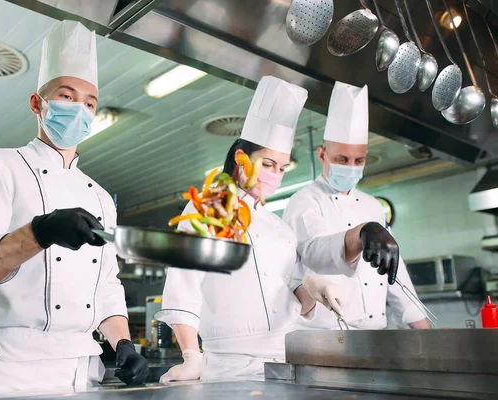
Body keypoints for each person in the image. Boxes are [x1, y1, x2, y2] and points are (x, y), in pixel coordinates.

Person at [0, 20, 148, 396]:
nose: (80, 110)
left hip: (80, 372)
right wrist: (40, 232)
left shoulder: (100, 197)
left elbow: (104, 285)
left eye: (89, 103)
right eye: (67, 97)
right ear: (37, 103)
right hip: (7, 371)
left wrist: (123, 344)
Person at [155, 76, 344, 384]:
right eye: (268, 164)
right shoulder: (209, 207)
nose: (276, 176)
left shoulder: (280, 229)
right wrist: (192, 356)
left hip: (285, 362)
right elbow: (183, 285)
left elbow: (297, 297)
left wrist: (313, 286)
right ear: (241, 159)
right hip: (228, 368)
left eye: (282, 168)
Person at [282, 81, 430, 330]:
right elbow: (317, 253)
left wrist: (426, 334)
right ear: (322, 155)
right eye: (342, 159)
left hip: (376, 337)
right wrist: (359, 234)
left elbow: (395, 273)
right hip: (327, 339)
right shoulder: (304, 202)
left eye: (358, 160)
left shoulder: (373, 206)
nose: (351, 167)